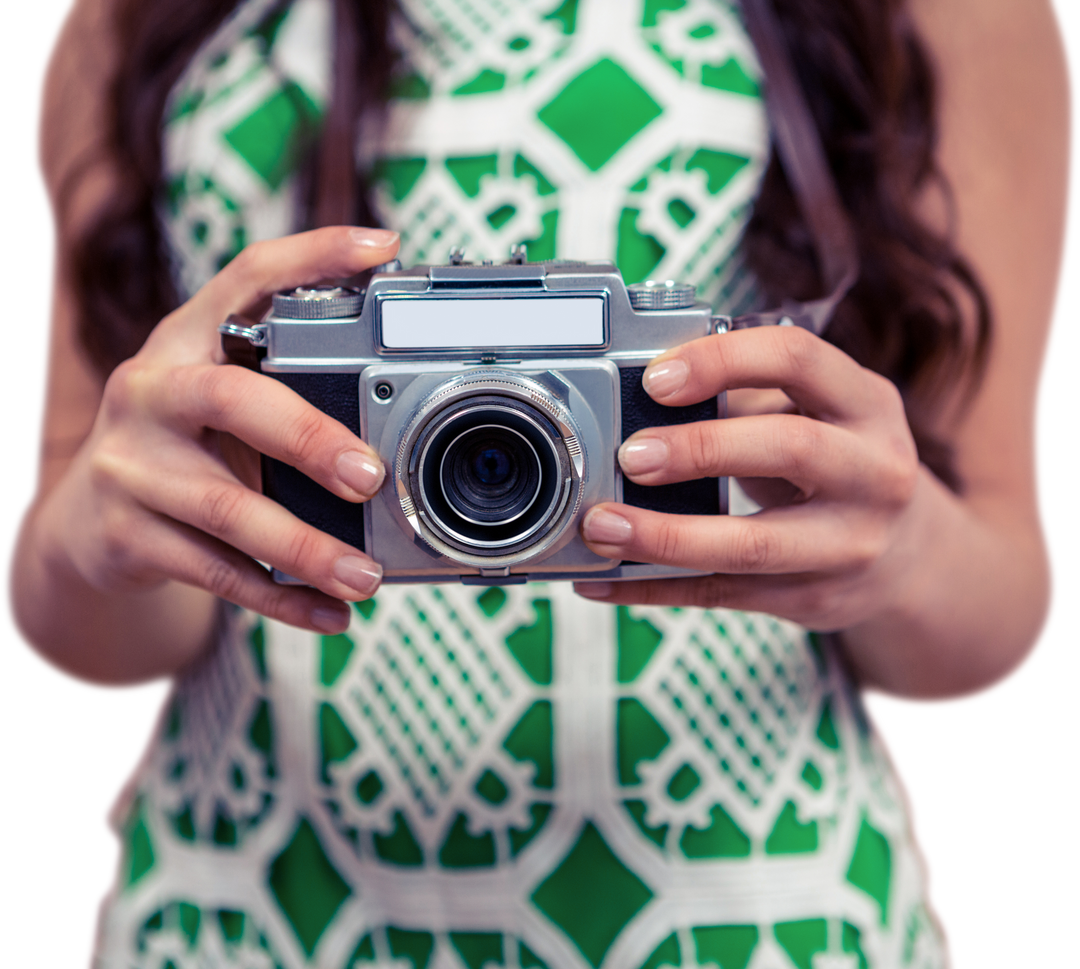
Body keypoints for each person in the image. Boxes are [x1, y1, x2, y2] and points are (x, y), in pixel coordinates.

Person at [4, 0, 1072, 966]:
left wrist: (900, 546)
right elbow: (90, 626)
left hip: (744, 919)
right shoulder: (124, 20)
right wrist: (108, 531)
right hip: (245, 914)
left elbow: (994, 616)